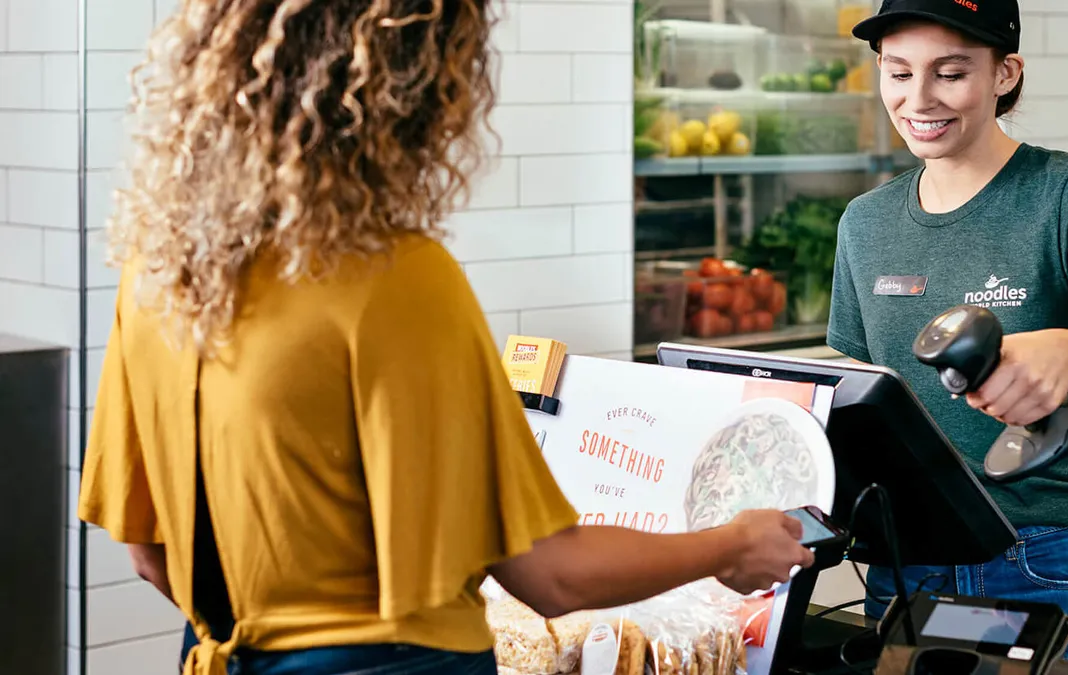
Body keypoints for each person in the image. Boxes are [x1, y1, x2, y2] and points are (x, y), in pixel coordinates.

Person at [75, 3, 817, 675]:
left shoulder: (161, 271)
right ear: (413, 85)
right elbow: (552, 575)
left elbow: (148, 551)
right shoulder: (396, 277)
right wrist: (728, 543)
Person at [828, 1, 1068, 673]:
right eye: (898, 72)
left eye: (950, 72)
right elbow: (861, 401)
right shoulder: (864, 223)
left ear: (1005, 73)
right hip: (910, 565)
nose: (918, 99)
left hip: (1055, 555)